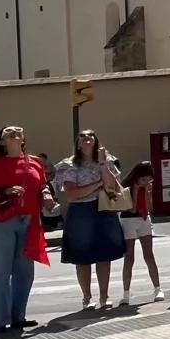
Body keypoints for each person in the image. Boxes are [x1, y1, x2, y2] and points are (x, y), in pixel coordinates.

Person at [0, 126, 53, 335]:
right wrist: (4, 191)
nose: (15, 133)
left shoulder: (35, 162)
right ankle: (0, 321)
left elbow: (42, 185)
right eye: (9, 132)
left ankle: (18, 317)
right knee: (1, 272)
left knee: (24, 272)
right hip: (0, 221)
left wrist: (46, 195)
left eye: (19, 131)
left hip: (29, 220)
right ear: (2, 141)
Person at [54, 130, 127, 310]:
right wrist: (96, 185)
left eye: (91, 136)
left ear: (96, 141)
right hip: (81, 211)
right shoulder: (69, 164)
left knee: (105, 255)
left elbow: (112, 185)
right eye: (83, 136)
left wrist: (102, 164)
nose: (87, 138)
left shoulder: (107, 160)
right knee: (82, 257)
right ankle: (87, 297)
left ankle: (104, 296)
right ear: (78, 143)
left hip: (104, 208)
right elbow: (71, 194)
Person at [118, 161, 164, 305]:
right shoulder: (126, 188)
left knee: (149, 255)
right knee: (129, 258)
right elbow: (131, 209)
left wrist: (147, 192)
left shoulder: (146, 188)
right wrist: (136, 191)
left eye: (148, 180)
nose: (146, 182)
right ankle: (126, 293)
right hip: (129, 220)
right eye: (143, 180)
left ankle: (158, 288)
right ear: (136, 177)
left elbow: (149, 208)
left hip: (144, 219)